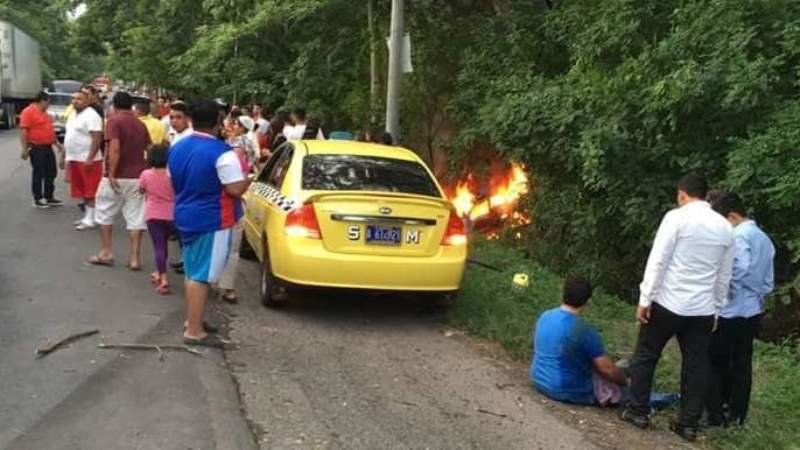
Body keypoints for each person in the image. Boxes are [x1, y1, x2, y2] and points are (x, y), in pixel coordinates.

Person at [620, 174, 735, 442]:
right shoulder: (724, 228)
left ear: (682, 194)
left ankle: (638, 410)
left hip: (668, 302)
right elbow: (724, 275)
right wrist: (717, 308)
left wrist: (645, 298)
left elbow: (658, 259)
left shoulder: (676, 218)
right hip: (702, 309)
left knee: (647, 354)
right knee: (696, 365)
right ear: (705, 196)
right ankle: (688, 424)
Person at [168, 98, 251, 347]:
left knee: (193, 270)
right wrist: (250, 178)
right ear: (218, 122)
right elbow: (235, 189)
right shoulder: (223, 154)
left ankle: (192, 320)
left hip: (185, 214)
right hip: (213, 219)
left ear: (191, 120)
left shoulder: (178, 147)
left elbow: (173, 180)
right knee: (202, 276)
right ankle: (194, 330)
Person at [706, 192, 775, 427]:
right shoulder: (764, 239)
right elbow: (768, 281)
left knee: (716, 363)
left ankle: (717, 413)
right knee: (742, 364)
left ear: (732, 217)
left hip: (730, 311)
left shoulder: (737, 236)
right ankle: (738, 415)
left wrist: (726, 288)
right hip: (752, 311)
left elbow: (740, 267)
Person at [531, 277, 628, 405]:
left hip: (538, 379)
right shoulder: (583, 330)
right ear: (587, 301)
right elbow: (607, 369)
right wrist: (625, 381)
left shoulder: (545, 315)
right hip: (565, 389)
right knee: (623, 387)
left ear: (563, 294)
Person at [88, 91, 152, 269]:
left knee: (105, 211)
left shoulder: (114, 122)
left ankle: (106, 251)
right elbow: (151, 148)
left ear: (114, 106)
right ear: (131, 106)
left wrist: (112, 173)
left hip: (117, 176)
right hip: (137, 176)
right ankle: (134, 258)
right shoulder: (140, 124)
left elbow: (114, 148)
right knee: (136, 217)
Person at [64, 90, 104, 230]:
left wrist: (90, 158)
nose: (75, 101)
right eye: (73, 99)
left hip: (87, 159)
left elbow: (97, 138)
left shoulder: (92, 116)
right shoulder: (73, 115)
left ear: (87, 101)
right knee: (82, 190)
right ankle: (88, 215)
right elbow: (69, 135)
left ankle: (91, 218)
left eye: (79, 99)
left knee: (90, 190)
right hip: (75, 158)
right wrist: (64, 156)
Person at [139, 144, 175, 295]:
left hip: (153, 214)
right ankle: (160, 272)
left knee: (159, 246)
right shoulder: (172, 175)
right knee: (165, 245)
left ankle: (163, 277)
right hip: (172, 215)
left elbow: (141, 190)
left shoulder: (146, 174)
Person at [19, 91, 64, 208]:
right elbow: (24, 131)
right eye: (48, 103)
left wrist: (57, 143)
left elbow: (49, 130)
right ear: (42, 101)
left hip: (48, 146)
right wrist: (24, 149)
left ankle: (49, 196)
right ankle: (38, 198)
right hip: (36, 146)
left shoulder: (45, 114)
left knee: (51, 172)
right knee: (39, 173)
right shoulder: (28, 112)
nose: (48, 105)